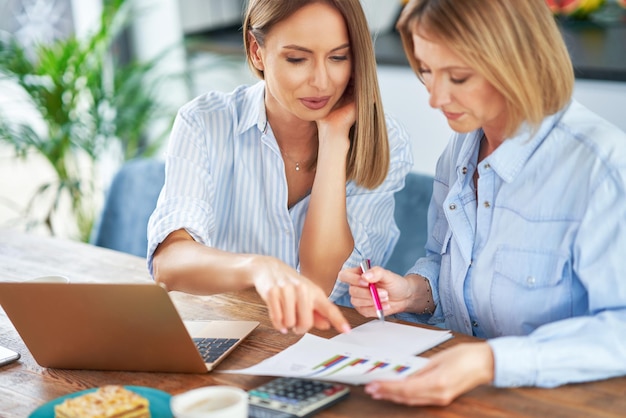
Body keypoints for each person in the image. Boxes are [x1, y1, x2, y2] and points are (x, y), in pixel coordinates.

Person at [339, 0, 626, 406]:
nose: (435, 98)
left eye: (457, 77)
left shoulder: (603, 168)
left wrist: (490, 361)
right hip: (466, 398)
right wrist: (411, 292)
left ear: (516, 62)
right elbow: (449, 266)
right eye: (426, 70)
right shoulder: (460, 149)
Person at [147, 0, 413, 335]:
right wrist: (257, 267)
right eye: (297, 59)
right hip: (232, 333)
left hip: (330, 343)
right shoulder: (204, 122)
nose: (321, 82)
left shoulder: (384, 139)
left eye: (338, 57)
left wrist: (333, 139)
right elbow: (168, 264)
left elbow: (318, 284)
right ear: (256, 51)